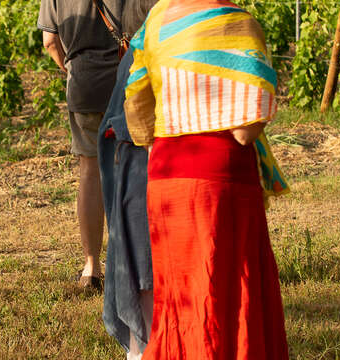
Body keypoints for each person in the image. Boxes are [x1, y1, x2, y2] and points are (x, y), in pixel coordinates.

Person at [124, 0, 291, 358]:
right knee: (226, 295)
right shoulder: (239, 23)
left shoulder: (154, 22)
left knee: (179, 298)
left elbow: (137, 110)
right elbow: (246, 130)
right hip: (220, 179)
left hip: (166, 176)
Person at [38, 0, 124, 289]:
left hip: (83, 81)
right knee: (128, 168)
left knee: (90, 171)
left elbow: (50, 41)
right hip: (126, 80)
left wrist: (73, 70)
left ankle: (91, 267)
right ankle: (127, 261)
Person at [98, 0, 158, 358]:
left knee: (140, 284)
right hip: (152, 184)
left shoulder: (131, 60)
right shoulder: (156, 54)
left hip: (131, 188)